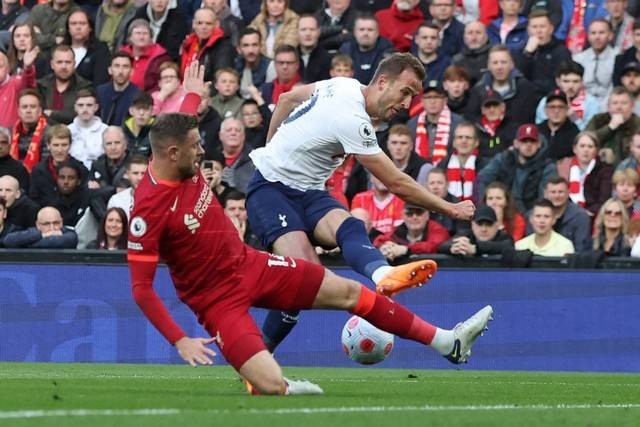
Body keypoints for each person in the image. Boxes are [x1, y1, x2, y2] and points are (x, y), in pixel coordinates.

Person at [128, 63, 493, 396]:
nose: (202, 153)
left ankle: (447, 341)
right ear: (172, 154)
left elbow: (186, 115)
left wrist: (192, 92)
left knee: (350, 291)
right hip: (216, 301)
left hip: (250, 265)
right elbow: (142, 289)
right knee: (269, 386)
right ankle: (277, 380)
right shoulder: (148, 209)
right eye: (194, 149)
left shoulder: (179, 145)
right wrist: (179, 340)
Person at [246, 53, 475, 352]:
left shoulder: (344, 85)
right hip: (270, 191)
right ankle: (255, 358)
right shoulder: (352, 118)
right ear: (382, 82)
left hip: (310, 192)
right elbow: (397, 183)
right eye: (405, 92)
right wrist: (450, 208)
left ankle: (384, 275)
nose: (408, 104)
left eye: (412, 96)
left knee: (350, 225)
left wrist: (271, 145)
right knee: (305, 280)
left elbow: (288, 98)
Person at [477, 123, 558, 213]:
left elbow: (544, 200)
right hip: (501, 212)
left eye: (532, 141)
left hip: (533, 217)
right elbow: (482, 179)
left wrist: (529, 218)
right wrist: (484, 208)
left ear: (539, 144)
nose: (528, 145)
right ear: (516, 143)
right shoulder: (503, 159)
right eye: (524, 141)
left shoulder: (547, 167)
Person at [514, 9, 572, 99]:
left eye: (542, 26)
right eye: (534, 27)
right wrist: (527, 53)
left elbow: (561, 80)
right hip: (527, 98)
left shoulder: (561, 51)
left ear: (551, 29)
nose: (538, 31)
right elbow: (516, 77)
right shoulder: (521, 51)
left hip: (552, 98)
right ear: (528, 30)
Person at [29, 124, 88, 208]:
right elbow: (33, 199)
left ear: (70, 145)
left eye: (64, 145)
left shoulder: (80, 169)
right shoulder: (38, 171)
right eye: (56, 145)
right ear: (48, 145)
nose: (59, 150)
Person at [534, 60, 601, 131]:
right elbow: (540, 131)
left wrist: (574, 118)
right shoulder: (546, 102)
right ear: (558, 81)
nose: (571, 86)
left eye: (575, 81)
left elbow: (590, 134)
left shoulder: (591, 103)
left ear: (582, 82)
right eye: (566, 81)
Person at [408, 80, 463, 165]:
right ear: (422, 101)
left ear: (445, 100)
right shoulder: (412, 124)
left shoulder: (458, 123)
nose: (432, 101)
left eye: (436, 97)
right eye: (428, 97)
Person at [561, 131, 614, 217]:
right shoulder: (563, 167)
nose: (586, 150)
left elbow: (604, 200)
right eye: (582, 146)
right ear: (575, 149)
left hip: (594, 215)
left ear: (596, 150)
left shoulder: (605, 171)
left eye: (590, 146)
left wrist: (584, 213)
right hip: (566, 213)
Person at [37, 45, 92, 125]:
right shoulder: (41, 85)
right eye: (59, 62)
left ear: (74, 64)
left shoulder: (85, 86)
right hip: (45, 133)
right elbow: (37, 113)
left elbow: (82, 114)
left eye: (68, 62)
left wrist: (52, 114)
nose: (64, 67)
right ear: (52, 64)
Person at [374, 202, 450, 260]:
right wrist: (385, 246)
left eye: (419, 213)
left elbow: (434, 245)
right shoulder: (398, 230)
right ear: (403, 216)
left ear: (427, 215)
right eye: (409, 213)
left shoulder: (437, 229)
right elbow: (380, 240)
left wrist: (406, 249)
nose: (414, 217)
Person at [586, 86, 640, 166]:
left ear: (632, 106)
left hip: (631, 170)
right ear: (608, 106)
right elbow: (585, 141)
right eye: (615, 103)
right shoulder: (597, 120)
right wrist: (609, 128)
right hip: (599, 168)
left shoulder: (637, 123)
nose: (619, 107)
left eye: (624, 103)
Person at [436, 122, 488, 202]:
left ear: (476, 142)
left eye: (468, 137)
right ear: (454, 142)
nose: (464, 141)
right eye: (460, 137)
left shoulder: (486, 166)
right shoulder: (443, 165)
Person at [181, 8, 236, 82]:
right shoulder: (188, 43)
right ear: (193, 24)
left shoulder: (224, 47)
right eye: (200, 23)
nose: (204, 27)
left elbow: (221, 80)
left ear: (216, 24)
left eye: (208, 23)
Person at [338, 13, 395, 85]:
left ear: (377, 32)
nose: (365, 33)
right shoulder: (345, 51)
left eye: (370, 30)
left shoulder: (388, 52)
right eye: (361, 29)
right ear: (355, 32)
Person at [438, 204, 514, 256]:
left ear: (496, 225)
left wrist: (475, 249)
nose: (484, 229)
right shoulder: (466, 235)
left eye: (489, 224)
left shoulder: (504, 237)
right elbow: (442, 246)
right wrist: (453, 248)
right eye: (479, 224)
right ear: (472, 225)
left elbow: (507, 246)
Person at [542, 176, 593, 252]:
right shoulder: (535, 215)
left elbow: (581, 248)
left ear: (568, 192)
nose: (557, 196)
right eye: (553, 192)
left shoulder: (581, 216)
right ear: (545, 193)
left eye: (560, 192)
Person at [573, 19, 618, 103]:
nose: (597, 37)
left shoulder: (618, 57)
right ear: (588, 36)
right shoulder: (578, 59)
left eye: (601, 33)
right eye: (593, 33)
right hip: (583, 104)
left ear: (610, 35)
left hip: (610, 104)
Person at [63, 9, 111, 86]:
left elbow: (101, 82)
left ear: (90, 28)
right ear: (68, 28)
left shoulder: (100, 50)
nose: (78, 27)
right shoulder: (59, 50)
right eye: (73, 23)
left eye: (82, 23)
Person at [120, 19, 170, 92]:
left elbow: (164, 83)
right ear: (130, 37)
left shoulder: (160, 57)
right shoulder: (121, 55)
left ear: (151, 38)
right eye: (138, 33)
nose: (141, 37)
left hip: (149, 99)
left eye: (145, 33)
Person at [96, 52, 142, 126]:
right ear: (110, 70)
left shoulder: (138, 95)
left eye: (125, 67)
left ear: (132, 71)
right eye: (117, 66)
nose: (120, 71)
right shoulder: (100, 92)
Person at [10, 89, 50, 173]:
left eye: (33, 107)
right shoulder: (9, 133)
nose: (28, 111)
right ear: (18, 111)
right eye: (24, 107)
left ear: (39, 111)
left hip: (38, 178)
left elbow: (46, 165)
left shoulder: (49, 133)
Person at [68, 89, 108, 169]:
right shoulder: (68, 131)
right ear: (75, 107)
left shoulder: (107, 131)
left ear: (96, 107)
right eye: (80, 105)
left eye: (89, 105)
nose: (85, 109)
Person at [2, 205, 78, 248]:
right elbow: (8, 240)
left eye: (56, 223)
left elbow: (53, 243)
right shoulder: (33, 232)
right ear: (37, 225)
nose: (52, 228)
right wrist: (43, 235)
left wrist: (28, 244)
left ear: (61, 222)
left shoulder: (70, 233)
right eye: (46, 224)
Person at [424, 167, 470, 237]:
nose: (435, 187)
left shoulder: (458, 206)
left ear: (447, 184)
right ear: (427, 186)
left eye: (439, 183)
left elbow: (462, 233)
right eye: (432, 183)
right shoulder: (421, 205)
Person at [536, 89, 580, 161]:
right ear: (545, 110)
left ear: (567, 110)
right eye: (552, 107)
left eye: (561, 107)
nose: (556, 111)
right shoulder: (537, 131)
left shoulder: (575, 134)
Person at [0, 47, 37, 130]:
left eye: (0, 66)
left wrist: (28, 68)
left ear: (8, 68)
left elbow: (28, 82)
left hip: (11, 139)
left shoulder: (16, 84)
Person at [219, 117, 255, 193]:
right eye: (229, 130)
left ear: (244, 135)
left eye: (237, 130)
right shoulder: (210, 157)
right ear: (220, 135)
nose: (233, 133)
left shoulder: (255, 160)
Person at [235, 28, 273, 99]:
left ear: (261, 46)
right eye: (246, 45)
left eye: (254, 45)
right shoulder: (236, 65)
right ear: (239, 49)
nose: (250, 50)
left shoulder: (270, 66)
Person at [107, 154, 148, 218]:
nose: (139, 178)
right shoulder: (116, 200)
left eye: (143, 173)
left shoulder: (158, 199)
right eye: (135, 173)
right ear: (127, 174)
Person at [452, 20, 490, 87]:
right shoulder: (457, 60)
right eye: (470, 33)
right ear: (464, 38)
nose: (474, 37)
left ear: (486, 37)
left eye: (478, 33)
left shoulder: (493, 57)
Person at [297, 14, 332, 83]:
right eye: (303, 29)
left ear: (318, 32)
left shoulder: (328, 60)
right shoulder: (289, 58)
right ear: (296, 32)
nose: (308, 33)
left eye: (312, 29)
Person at [123, 92, 155, 157]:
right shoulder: (122, 132)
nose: (141, 113)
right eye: (138, 108)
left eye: (146, 109)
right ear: (131, 111)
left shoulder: (158, 132)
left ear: (152, 111)